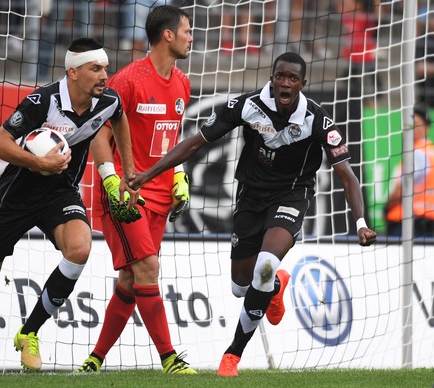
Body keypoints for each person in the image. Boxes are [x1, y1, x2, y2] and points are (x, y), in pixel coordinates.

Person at [129, 52, 378, 376]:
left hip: (292, 195)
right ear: (272, 78)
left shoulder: (317, 120)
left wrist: (360, 223)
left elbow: (347, 175)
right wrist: (149, 174)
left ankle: (232, 356)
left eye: (292, 78)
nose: (285, 83)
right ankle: (275, 286)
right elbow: (196, 142)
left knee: (264, 265)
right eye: (280, 76)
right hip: (250, 196)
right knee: (240, 286)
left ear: (303, 84)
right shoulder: (247, 106)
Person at [0, 37, 142, 376]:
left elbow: (120, 117)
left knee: (80, 248)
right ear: (73, 72)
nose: (104, 76)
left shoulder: (107, 101)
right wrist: (37, 163)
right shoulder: (43, 100)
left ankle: (29, 332)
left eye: (106, 69)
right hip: (18, 195)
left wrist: (127, 172)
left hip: (60, 193)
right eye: (96, 68)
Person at [76, 5, 197, 375]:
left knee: (131, 279)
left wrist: (177, 174)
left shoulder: (182, 83)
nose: (192, 38)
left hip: (161, 196)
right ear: (168, 35)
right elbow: (99, 132)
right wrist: (111, 179)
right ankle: (169, 359)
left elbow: (170, 138)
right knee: (148, 267)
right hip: (127, 195)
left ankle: (94, 360)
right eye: (187, 31)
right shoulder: (128, 81)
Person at [385, 104, 434, 237]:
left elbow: (402, 188)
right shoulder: (430, 152)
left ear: (426, 127)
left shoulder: (417, 154)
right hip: (427, 220)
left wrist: (387, 207)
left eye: (415, 124)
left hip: (407, 220)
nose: (410, 128)